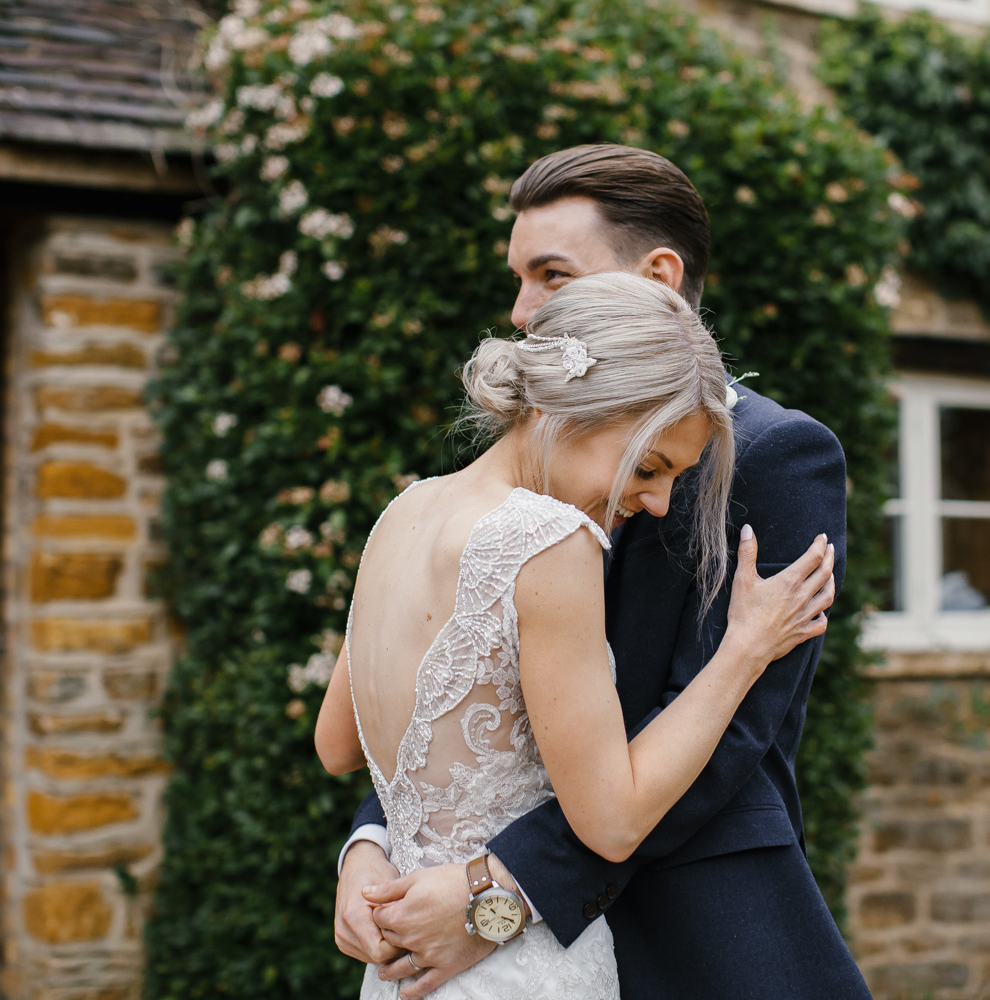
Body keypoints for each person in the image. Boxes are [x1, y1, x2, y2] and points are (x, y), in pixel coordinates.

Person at [330, 145, 873, 1000]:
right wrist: (376, 844)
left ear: (659, 276)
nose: (520, 311)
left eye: (551, 275)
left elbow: (729, 742)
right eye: (518, 278)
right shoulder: (511, 476)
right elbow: (446, 691)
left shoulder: (779, 457)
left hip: (689, 925)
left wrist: (492, 898)